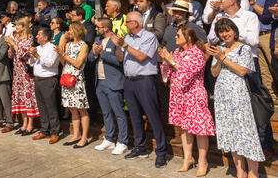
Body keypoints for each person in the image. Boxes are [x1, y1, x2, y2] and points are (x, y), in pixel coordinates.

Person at [207, 0, 274, 158]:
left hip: (247, 63)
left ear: (232, 1)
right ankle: (236, 145)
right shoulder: (219, 17)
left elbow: (253, 40)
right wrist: (219, 27)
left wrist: (232, 30)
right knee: (231, 108)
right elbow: (211, 40)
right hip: (224, 63)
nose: (219, 1)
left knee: (255, 104)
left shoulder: (249, 16)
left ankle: (264, 145)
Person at [208, 18, 265, 177]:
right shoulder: (219, 49)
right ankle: (240, 170)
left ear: (234, 31)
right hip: (222, 97)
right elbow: (214, 73)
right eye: (221, 31)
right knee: (230, 132)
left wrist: (223, 58)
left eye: (227, 30)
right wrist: (219, 58)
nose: (224, 34)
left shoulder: (244, 49)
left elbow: (242, 71)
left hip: (239, 96)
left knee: (246, 133)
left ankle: (253, 172)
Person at [112, 11, 167, 168]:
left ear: (135, 23)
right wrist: (118, 47)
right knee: (135, 117)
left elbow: (142, 57)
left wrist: (125, 46)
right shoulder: (127, 38)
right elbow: (120, 58)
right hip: (129, 81)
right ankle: (140, 147)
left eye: (127, 21)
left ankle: (161, 152)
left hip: (145, 81)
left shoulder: (149, 37)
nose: (125, 24)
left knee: (153, 116)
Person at [159, 27, 215, 175]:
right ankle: (188, 158)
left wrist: (172, 62)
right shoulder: (177, 52)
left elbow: (186, 76)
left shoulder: (197, 54)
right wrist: (166, 62)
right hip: (179, 96)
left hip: (194, 96)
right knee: (184, 128)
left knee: (199, 130)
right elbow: (167, 76)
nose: (175, 38)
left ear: (188, 38)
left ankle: (203, 161)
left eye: (178, 35)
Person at [89, 18, 128, 155]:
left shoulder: (115, 40)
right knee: (106, 113)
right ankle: (109, 139)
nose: (96, 29)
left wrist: (102, 54)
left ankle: (122, 141)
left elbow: (120, 61)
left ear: (106, 28)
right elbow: (90, 58)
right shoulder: (98, 40)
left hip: (113, 82)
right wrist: (94, 53)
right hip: (99, 82)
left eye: (98, 27)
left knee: (119, 113)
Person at [59, 22, 90, 148]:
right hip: (67, 77)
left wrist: (65, 56)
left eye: (70, 30)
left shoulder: (84, 45)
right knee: (72, 108)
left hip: (77, 79)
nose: (68, 32)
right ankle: (76, 134)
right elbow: (63, 62)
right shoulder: (68, 44)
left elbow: (78, 64)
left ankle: (84, 137)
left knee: (81, 108)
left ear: (76, 31)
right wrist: (61, 53)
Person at [5, 18, 39, 135]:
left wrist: (14, 44)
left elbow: (23, 53)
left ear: (24, 27)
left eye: (18, 26)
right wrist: (10, 45)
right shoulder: (17, 39)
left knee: (27, 97)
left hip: (26, 74)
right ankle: (24, 123)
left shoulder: (29, 39)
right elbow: (10, 55)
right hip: (17, 73)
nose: (16, 28)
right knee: (20, 98)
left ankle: (30, 124)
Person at [246, 0, 277, 101]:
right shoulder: (248, 2)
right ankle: (272, 98)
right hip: (255, 37)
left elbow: (265, 16)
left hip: (268, 35)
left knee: (274, 67)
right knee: (264, 71)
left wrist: (253, 3)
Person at [28, 27, 61, 144]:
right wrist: (32, 56)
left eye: (38, 35)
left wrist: (37, 56)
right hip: (37, 80)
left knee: (51, 107)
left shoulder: (52, 48)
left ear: (45, 37)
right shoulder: (37, 48)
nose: (36, 36)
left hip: (48, 80)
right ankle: (44, 130)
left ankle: (55, 132)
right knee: (42, 107)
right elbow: (31, 64)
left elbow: (50, 63)